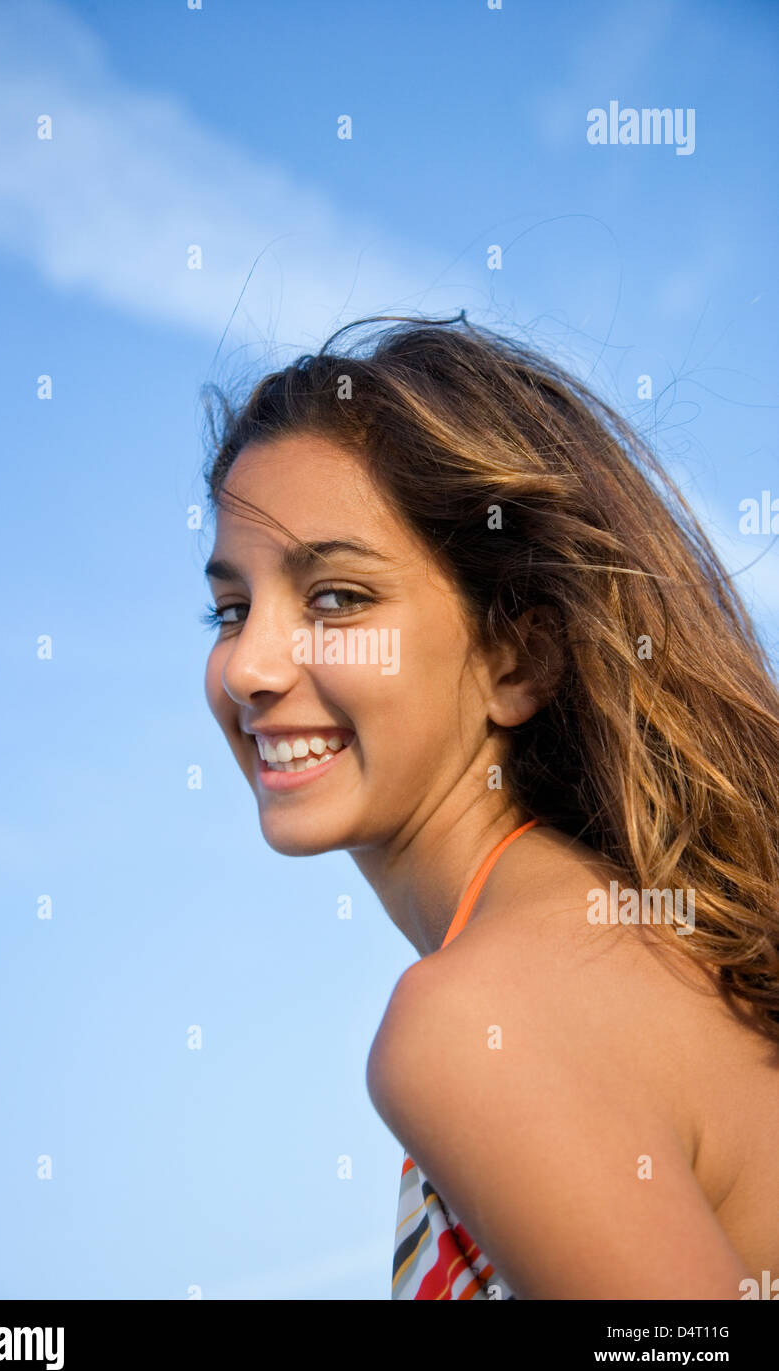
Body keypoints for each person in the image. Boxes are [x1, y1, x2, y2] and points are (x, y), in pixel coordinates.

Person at [200, 312, 779, 1300]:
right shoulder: (644, 953)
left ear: (517, 655)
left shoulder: (472, 1021)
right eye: (229, 608)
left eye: (336, 597)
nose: (248, 665)